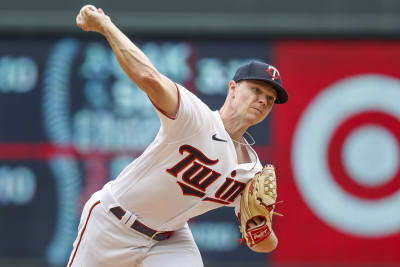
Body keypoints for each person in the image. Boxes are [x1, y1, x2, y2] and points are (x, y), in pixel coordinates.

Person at [69, 4, 289, 267]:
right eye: (256, 90)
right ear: (232, 88)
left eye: (270, 98)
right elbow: (148, 77)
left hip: (169, 239)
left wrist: (260, 226)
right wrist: (106, 26)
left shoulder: (251, 170)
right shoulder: (195, 118)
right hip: (111, 222)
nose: (263, 100)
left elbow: (263, 245)